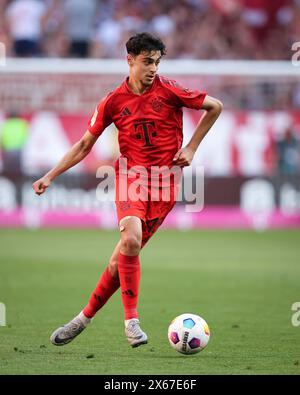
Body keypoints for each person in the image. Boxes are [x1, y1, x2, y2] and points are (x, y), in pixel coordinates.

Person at [32, 32, 223, 348]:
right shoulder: (112, 101)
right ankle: (131, 323)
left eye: (157, 62)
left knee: (118, 260)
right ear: (130, 60)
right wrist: (50, 175)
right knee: (130, 239)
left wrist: (191, 147)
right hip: (130, 178)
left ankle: (82, 318)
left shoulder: (170, 90)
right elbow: (83, 145)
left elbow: (214, 107)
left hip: (165, 187)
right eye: (148, 62)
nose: (153, 69)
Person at [0, 110, 29, 176]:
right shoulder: (23, 123)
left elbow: (2, 136)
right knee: (18, 169)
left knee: (7, 169)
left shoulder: (6, 123)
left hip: (8, 149)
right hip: (19, 149)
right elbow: (26, 135)